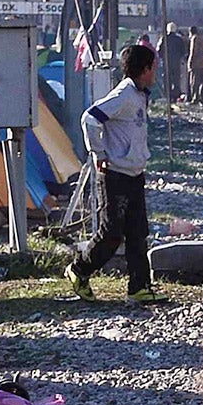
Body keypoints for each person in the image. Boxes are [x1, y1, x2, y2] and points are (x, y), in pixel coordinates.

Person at [70, 43, 163, 304]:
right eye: (153, 68)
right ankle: (79, 269)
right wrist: (98, 153)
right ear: (144, 69)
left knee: (137, 232)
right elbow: (90, 118)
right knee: (112, 232)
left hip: (135, 173)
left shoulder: (140, 94)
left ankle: (139, 287)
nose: (155, 73)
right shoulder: (124, 94)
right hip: (116, 174)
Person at [164, 23, 187, 103]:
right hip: (176, 63)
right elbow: (183, 51)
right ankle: (175, 97)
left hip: (167, 63)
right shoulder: (179, 39)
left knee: (167, 80)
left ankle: (168, 96)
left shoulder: (164, 38)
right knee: (176, 80)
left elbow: (159, 50)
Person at [187, 25, 203, 103]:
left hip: (196, 64)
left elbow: (193, 51)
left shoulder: (194, 39)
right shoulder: (202, 38)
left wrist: (190, 62)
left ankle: (195, 98)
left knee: (194, 82)